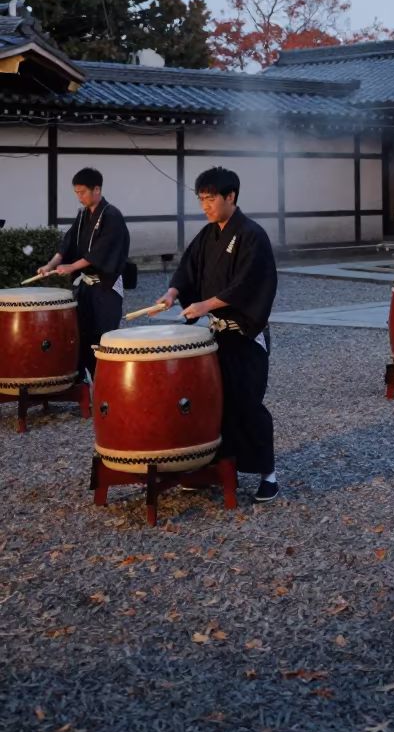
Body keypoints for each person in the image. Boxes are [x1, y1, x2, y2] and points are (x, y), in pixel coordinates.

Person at [154, 166, 279, 503]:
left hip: (243, 335)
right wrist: (172, 292)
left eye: (210, 199)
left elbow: (249, 283)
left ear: (230, 197)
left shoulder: (252, 235)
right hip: (215, 338)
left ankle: (268, 474)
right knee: (213, 404)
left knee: (247, 404)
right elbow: (188, 268)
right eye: (201, 200)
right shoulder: (208, 235)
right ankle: (215, 468)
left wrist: (206, 304)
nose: (204, 206)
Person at [39, 167, 130, 381]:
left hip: (106, 288)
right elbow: (67, 244)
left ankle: (107, 386)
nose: (79, 197)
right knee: (80, 334)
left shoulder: (112, 216)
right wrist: (51, 265)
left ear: (96, 189)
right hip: (87, 286)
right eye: (76, 193)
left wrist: (72, 268)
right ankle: (83, 383)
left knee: (103, 338)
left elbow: (102, 251)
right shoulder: (82, 216)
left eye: (83, 192)